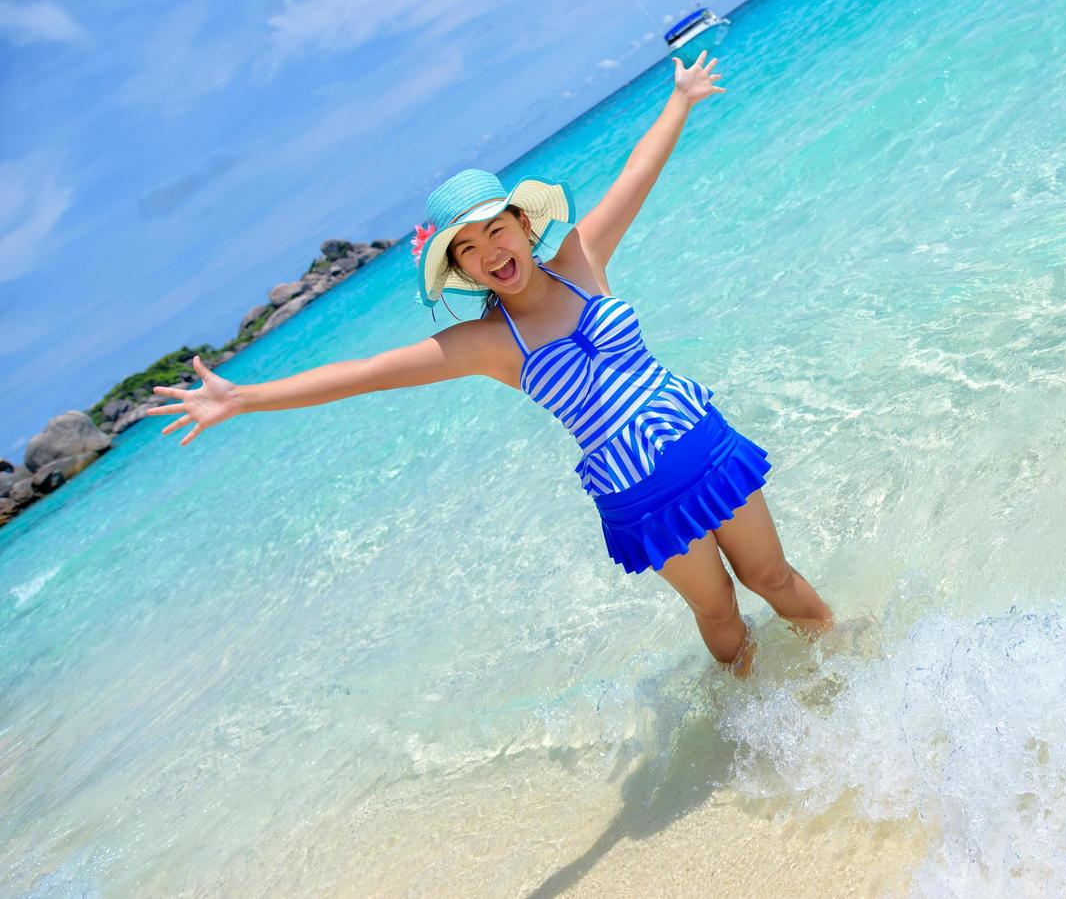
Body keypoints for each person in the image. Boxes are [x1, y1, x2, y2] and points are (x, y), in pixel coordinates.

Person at [148, 51, 833, 676]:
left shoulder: (581, 262)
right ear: (462, 270)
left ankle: (849, 662)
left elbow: (637, 174)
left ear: (523, 227)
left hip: (701, 446)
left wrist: (680, 98)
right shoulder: (489, 341)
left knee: (772, 580)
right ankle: (753, 727)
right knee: (717, 614)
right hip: (638, 493)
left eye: (495, 231)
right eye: (466, 249)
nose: (488, 252)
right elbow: (366, 372)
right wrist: (242, 397)